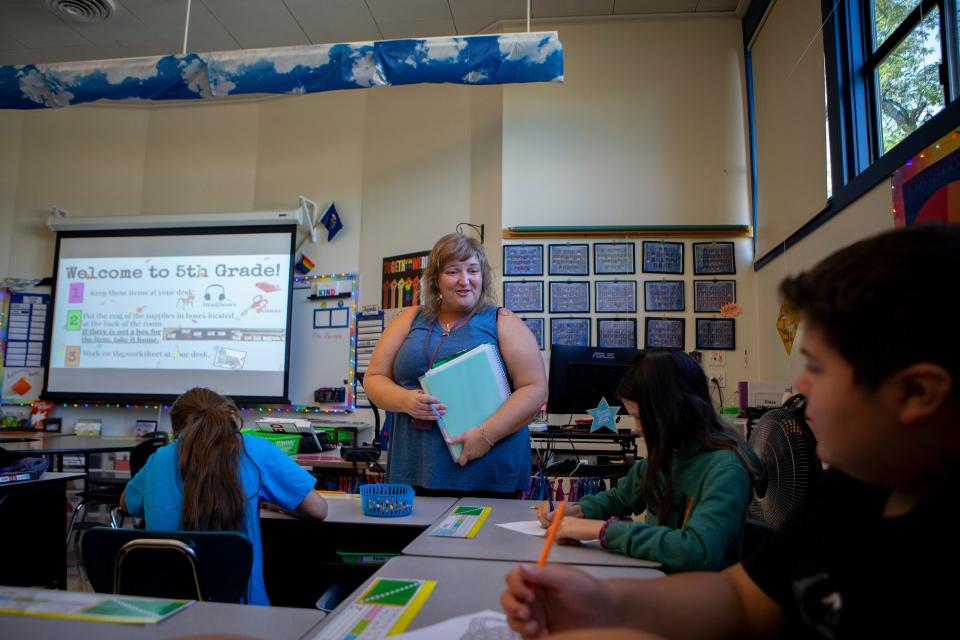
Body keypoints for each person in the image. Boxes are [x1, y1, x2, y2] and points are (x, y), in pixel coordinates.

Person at [501, 225, 959, 639]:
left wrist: (601, 532)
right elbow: (744, 598)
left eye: (816, 367)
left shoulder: (725, 465)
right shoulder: (848, 491)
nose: (799, 387)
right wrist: (604, 601)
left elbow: (701, 555)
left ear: (916, 393)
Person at [534, 350, 757, 572]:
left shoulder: (726, 468)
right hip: (659, 579)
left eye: (641, 418)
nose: (637, 429)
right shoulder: (669, 452)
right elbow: (620, 498)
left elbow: (697, 551)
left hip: (700, 596)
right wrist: (576, 511)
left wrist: (602, 530)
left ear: (676, 410)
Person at [365, 233, 547, 497]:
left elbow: (535, 389)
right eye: (453, 271)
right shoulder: (409, 318)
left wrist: (485, 436)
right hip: (414, 468)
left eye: (473, 270)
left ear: (482, 276)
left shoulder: (503, 321)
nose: (464, 280)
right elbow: (374, 377)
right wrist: (405, 400)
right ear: (436, 279)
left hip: (488, 472)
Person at [120, 387, 328, 606]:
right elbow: (318, 510)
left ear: (175, 432)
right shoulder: (257, 451)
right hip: (244, 614)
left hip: (165, 612)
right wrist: (281, 504)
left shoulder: (160, 458)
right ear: (226, 417)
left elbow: (126, 503)